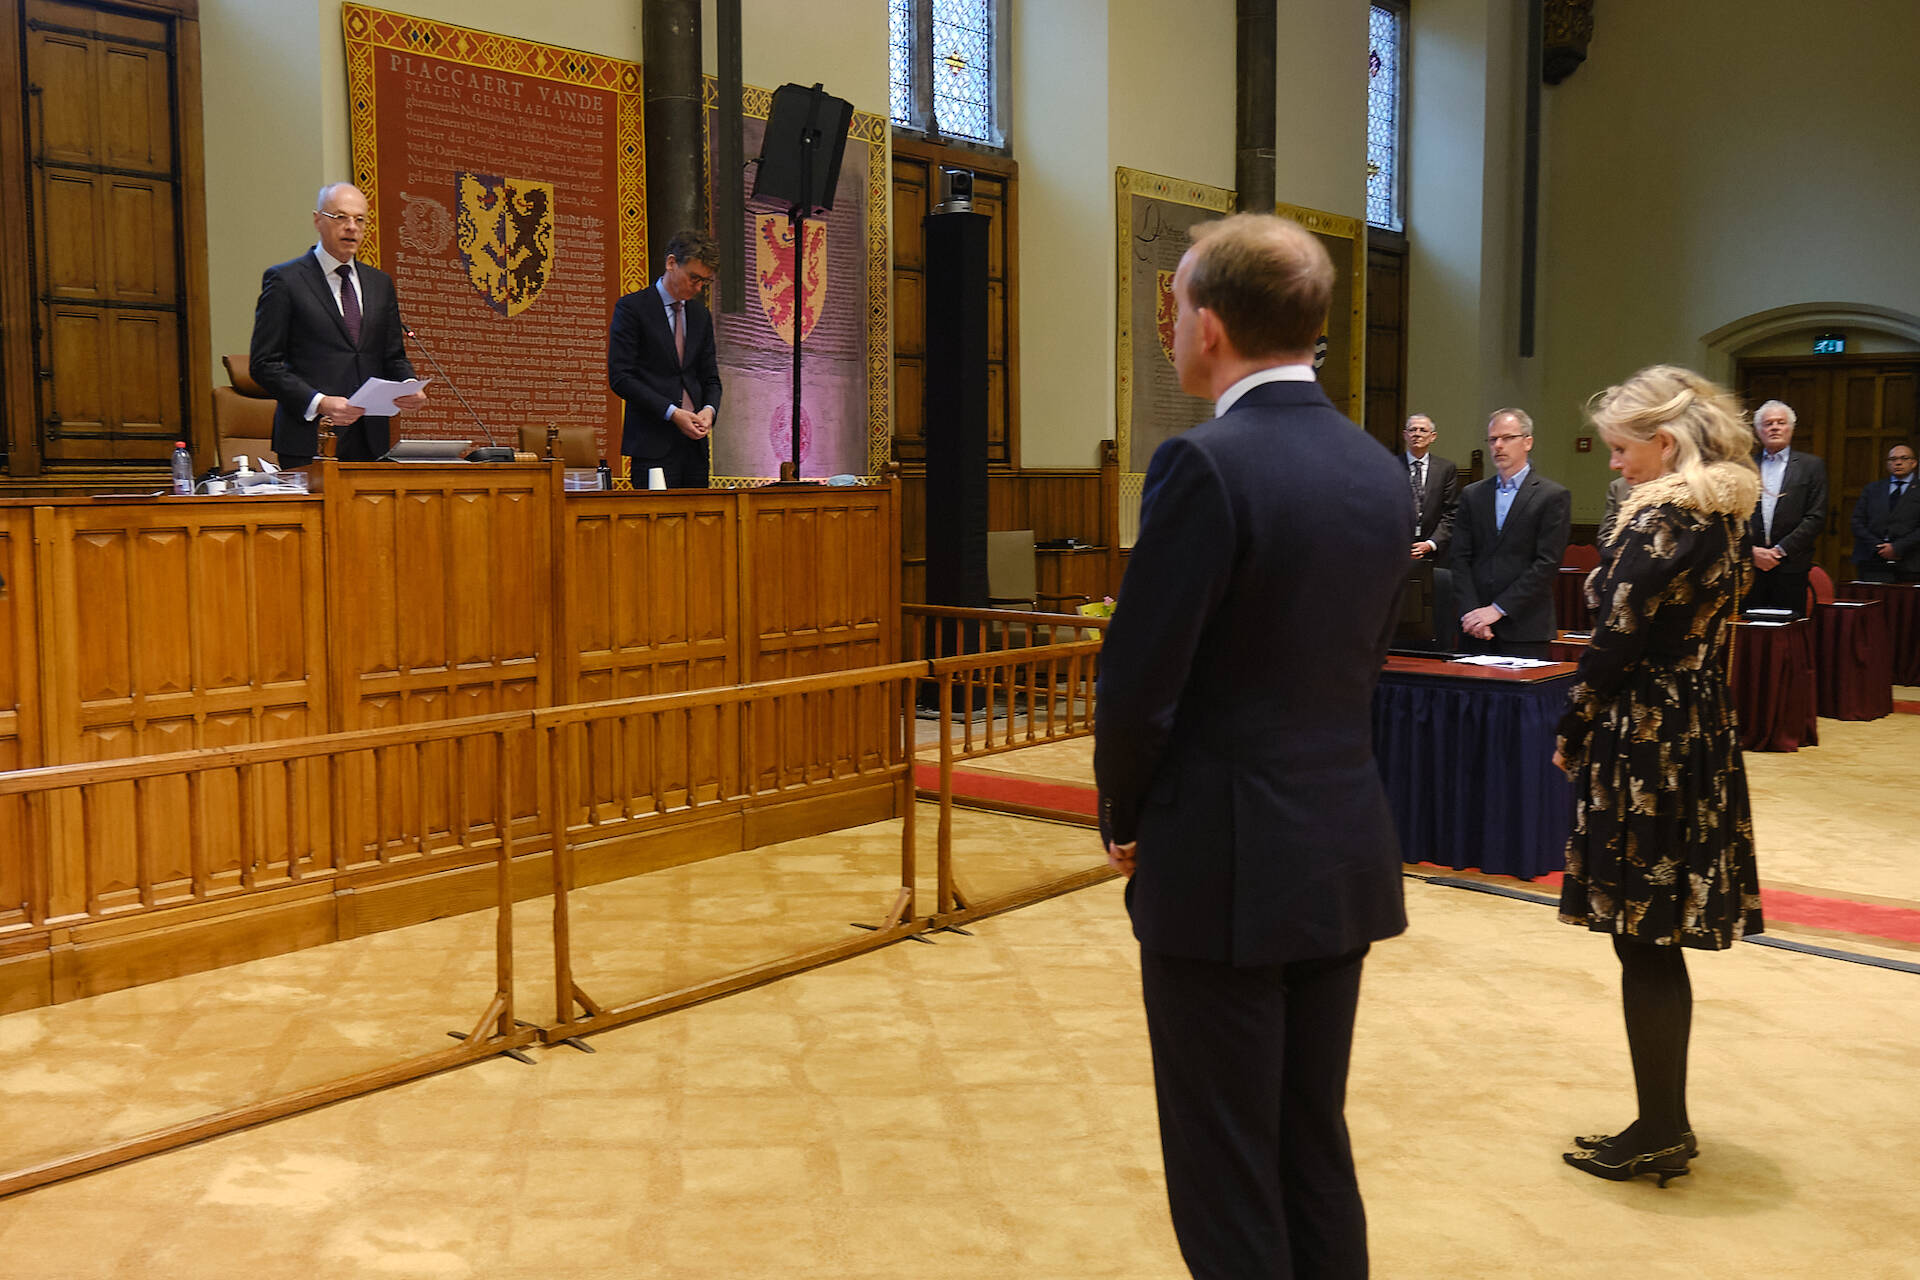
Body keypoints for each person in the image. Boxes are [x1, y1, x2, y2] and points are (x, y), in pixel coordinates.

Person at [1094, 213, 1410, 1280]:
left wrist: (1127, 816)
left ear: (1212, 325)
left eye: (1175, 304)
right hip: (1339, 846)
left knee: (1226, 1169)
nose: (1170, 325)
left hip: (1222, 863)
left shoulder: (1203, 463)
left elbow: (1139, 688)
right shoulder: (1376, 468)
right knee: (1309, 1139)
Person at [1554, 365, 1762, 1187]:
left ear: (1666, 444)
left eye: (1619, 449)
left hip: (1649, 735)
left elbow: (1619, 631)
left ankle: (1660, 1128)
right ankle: (1663, 1121)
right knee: (1652, 934)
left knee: (1642, 935)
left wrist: (1573, 718)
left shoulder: (1669, 515)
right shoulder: (1721, 513)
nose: (1612, 464)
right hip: (1692, 726)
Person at [248, 182, 427, 467]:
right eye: (340, 217)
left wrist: (407, 385)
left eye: (359, 219)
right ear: (318, 220)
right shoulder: (286, 280)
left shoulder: (380, 284)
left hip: (370, 439)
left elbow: (393, 355)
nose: (351, 227)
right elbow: (263, 364)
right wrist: (319, 402)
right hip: (310, 439)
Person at [1450, 409, 1572, 658]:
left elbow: (1546, 564)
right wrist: (1472, 613)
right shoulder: (1473, 494)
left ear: (1528, 442)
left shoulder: (1551, 496)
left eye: (1507, 438)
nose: (1498, 446)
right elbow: (1459, 558)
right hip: (1475, 627)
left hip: (1525, 628)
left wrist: (1497, 609)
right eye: (1493, 439)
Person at [608, 229, 723, 488]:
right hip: (652, 443)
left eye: (705, 281)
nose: (698, 287)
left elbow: (710, 377)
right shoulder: (632, 308)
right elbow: (621, 377)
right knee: (657, 525)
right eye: (694, 277)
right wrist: (672, 413)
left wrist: (709, 410)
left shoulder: (700, 316)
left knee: (699, 524)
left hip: (694, 447)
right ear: (671, 263)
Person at [1742, 399, 1827, 615]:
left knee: (1787, 634)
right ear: (1758, 430)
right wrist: (1751, 552)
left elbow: (1815, 517)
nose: (1775, 428)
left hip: (1791, 565)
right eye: (1768, 423)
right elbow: (1734, 517)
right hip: (1750, 565)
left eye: (1781, 422)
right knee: (1749, 631)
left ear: (1791, 428)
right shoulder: (1744, 467)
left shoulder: (1811, 466)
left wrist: (1779, 552)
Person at [1849, 442, 1920, 581]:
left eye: (1904, 458)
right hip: (1872, 560)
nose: (1898, 463)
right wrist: (1878, 547)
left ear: (1914, 463)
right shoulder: (1872, 489)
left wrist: (1896, 547)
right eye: (1893, 459)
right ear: (1887, 464)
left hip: (1910, 562)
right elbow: (1857, 522)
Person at [1403, 413, 1459, 562]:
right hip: (1398, 551)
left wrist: (1431, 543)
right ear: (1405, 435)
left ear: (1433, 436)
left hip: (1435, 552)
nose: (1417, 434)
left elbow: (1451, 512)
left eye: (1423, 430)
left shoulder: (1446, 469)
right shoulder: (1391, 466)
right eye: (1412, 430)